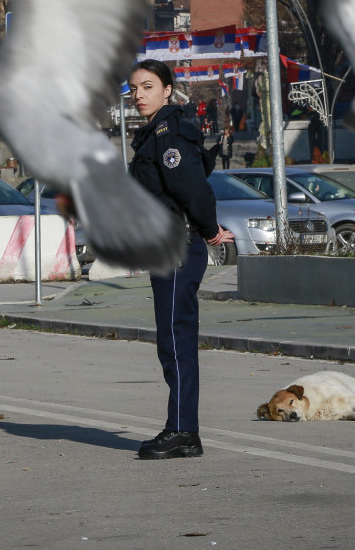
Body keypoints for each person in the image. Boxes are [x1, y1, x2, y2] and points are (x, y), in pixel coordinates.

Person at [127, 59, 234, 460]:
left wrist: (209, 230)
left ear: (168, 90)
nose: (138, 95)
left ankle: (184, 431)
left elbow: (194, 190)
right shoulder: (154, 134)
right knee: (171, 340)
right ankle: (181, 429)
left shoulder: (169, 135)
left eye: (148, 87)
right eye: (134, 88)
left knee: (176, 340)